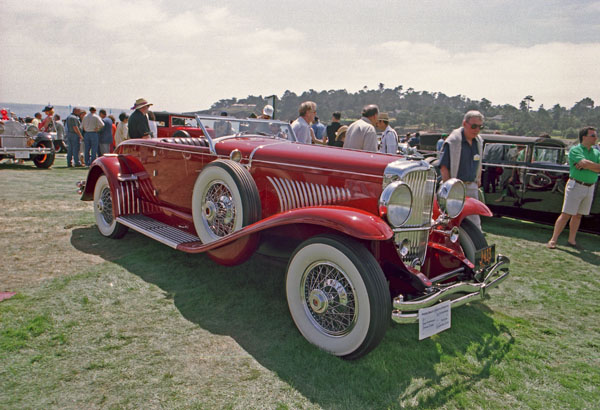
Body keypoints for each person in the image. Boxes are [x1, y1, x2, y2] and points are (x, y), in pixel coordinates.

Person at [547, 127, 600, 249]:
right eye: (593, 135)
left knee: (579, 215)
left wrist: (586, 165)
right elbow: (584, 163)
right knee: (566, 214)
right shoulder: (576, 150)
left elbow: (586, 164)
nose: (595, 138)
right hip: (576, 185)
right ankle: (553, 240)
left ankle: (572, 240)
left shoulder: (596, 153)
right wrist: (589, 165)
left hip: (590, 187)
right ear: (584, 137)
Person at [439, 110, 485, 229]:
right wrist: (448, 188)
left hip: (472, 187)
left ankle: (475, 245)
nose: (476, 130)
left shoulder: (479, 142)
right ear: (464, 123)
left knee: (475, 222)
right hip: (455, 188)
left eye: (480, 127)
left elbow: (479, 163)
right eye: (474, 126)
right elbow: (444, 167)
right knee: (451, 221)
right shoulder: (453, 142)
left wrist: (478, 179)